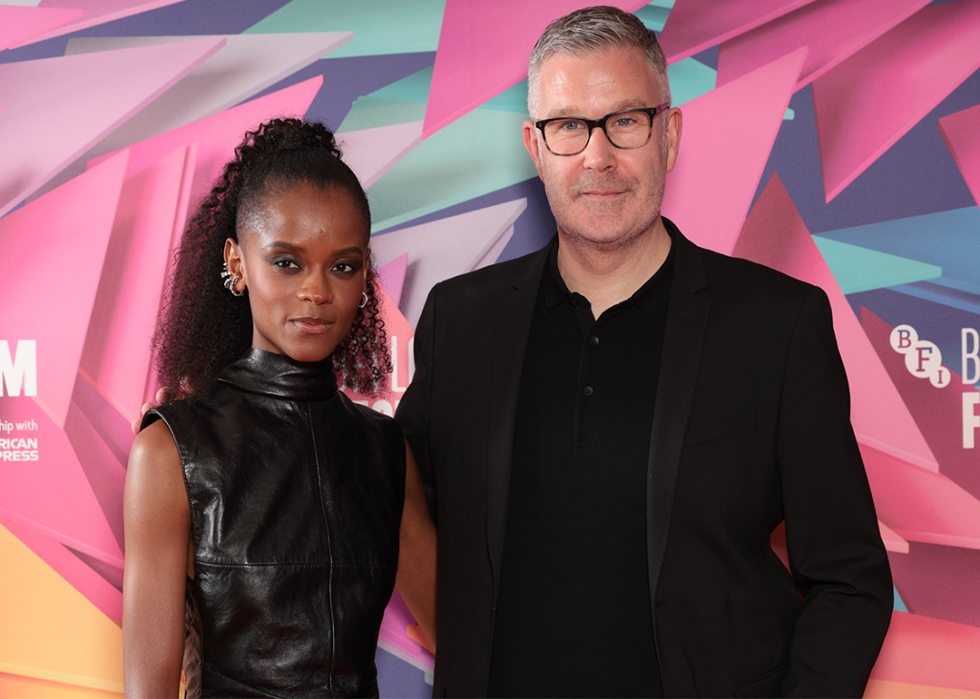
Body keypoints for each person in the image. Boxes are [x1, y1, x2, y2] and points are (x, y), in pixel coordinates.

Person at [395, 6, 892, 698]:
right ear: (535, 147)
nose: (597, 156)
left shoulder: (777, 325)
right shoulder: (462, 321)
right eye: (569, 126)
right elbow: (390, 506)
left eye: (625, 121)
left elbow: (850, 577)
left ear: (671, 134)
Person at [123, 118, 436, 698]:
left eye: (341, 266)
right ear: (238, 263)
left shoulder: (386, 453)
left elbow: (459, 630)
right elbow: (150, 690)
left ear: (365, 273)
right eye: (287, 262)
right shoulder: (172, 449)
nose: (315, 291)